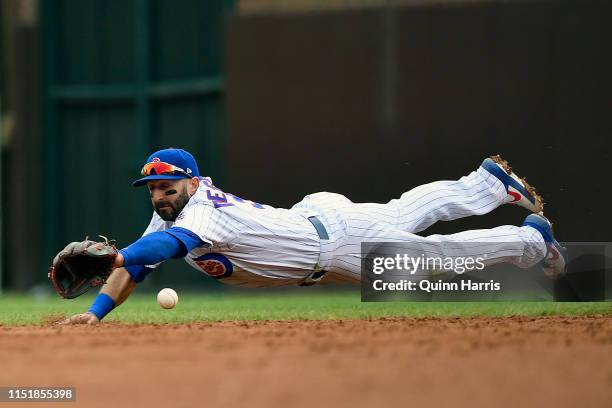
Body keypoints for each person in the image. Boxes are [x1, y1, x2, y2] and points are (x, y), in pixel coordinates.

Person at [60, 148, 566, 324]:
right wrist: (94, 312)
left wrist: (120, 255)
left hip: (333, 247)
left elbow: (159, 251)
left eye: (166, 187)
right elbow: (139, 264)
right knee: (402, 212)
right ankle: (485, 184)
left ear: (192, 182)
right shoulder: (171, 212)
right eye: (151, 190)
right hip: (317, 217)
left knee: (434, 258)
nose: (158, 198)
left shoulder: (205, 209)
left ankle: (533, 243)